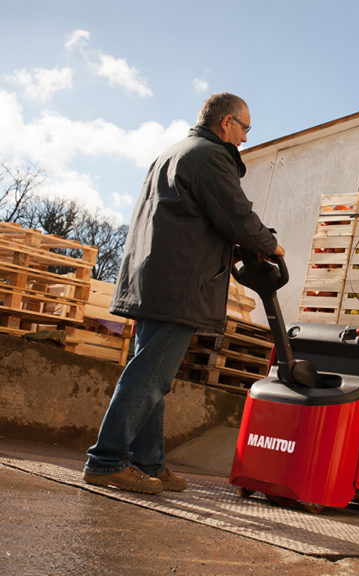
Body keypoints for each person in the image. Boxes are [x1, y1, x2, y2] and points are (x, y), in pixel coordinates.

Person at [83, 93, 284, 494]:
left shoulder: (173, 153)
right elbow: (235, 213)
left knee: (155, 375)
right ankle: (106, 460)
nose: (245, 138)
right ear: (226, 123)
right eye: (245, 128)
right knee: (149, 375)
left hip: (153, 278)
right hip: (178, 283)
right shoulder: (210, 156)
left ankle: (149, 462)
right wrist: (269, 245)